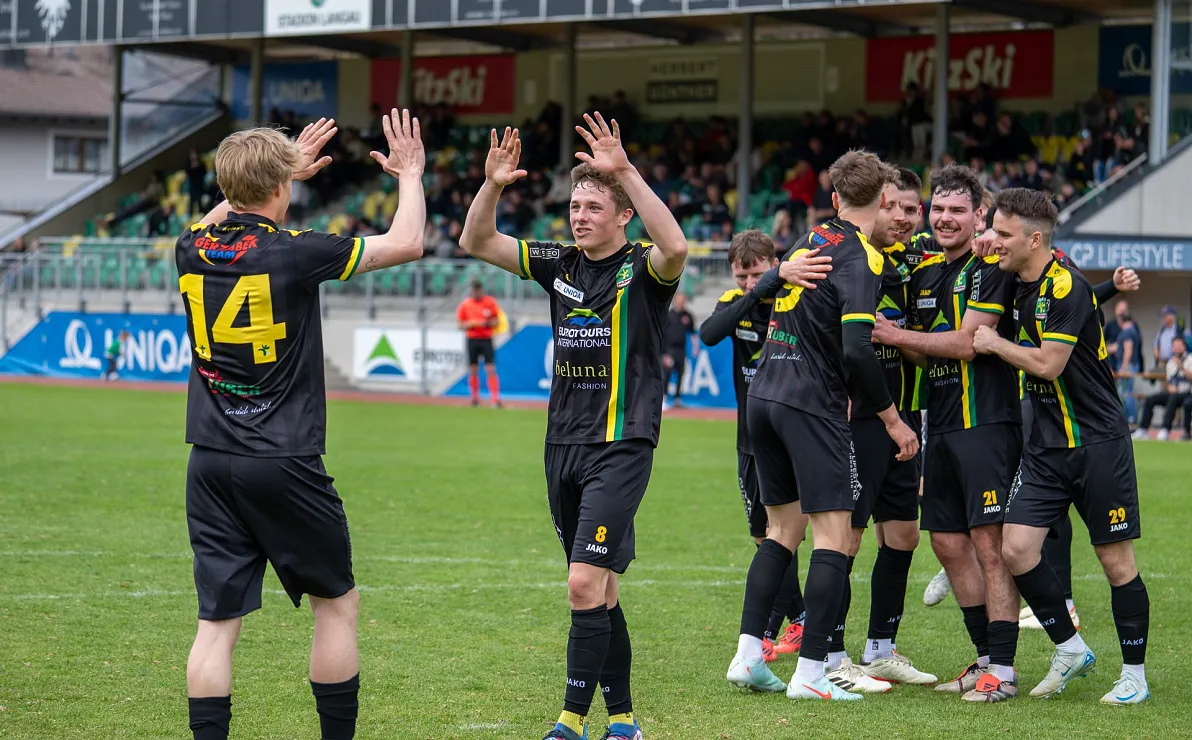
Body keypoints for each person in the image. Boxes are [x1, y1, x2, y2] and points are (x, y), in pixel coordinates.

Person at [177, 111, 427, 740]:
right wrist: (412, 174)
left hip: (208, 458)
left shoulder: (191, 246)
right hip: (282, 458)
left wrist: (266, 171)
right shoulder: (295, 251)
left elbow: (222, 215)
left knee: (215, 627)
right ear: (283, 187)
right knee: (336, 606)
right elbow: (407, 243)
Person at [458, 113, 689, 740]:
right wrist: (493, 185)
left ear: (621, 215)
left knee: (583, 581)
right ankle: (624, 721)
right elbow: (476, 242)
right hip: (561, 443)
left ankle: (569, 721)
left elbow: (677, 248)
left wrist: (627, 172)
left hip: (620, 442)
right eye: (574, 205)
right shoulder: (558, 262)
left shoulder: (643, 268)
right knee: (602, 589)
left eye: (592, 205)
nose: (579, 214)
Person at [725, 150, 919, 701]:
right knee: (833, 539)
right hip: (810, 405)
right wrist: (894, 421)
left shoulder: (809, 241)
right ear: (883, 199)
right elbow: (858, 350)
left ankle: (747, 656)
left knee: (781, 532)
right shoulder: (861, 258)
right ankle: (811, 674)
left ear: (834, 198)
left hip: (762, 397)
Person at [973, 187, 1151, 705]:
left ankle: (1134, 675)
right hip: (1046, 448)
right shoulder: (1015, 278)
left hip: (1097, 443)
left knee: (1115, 560)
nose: (995, 243)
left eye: (1004, 235)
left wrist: (993, 342)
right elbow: (989, 258)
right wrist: (988, 245)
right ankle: (1071, 648)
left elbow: (1049, 365)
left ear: (1035, 239)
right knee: (1016, 547)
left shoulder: (1066, 285)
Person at [871, 164, 1023, 702]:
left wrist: (892, 331)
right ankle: (984, 658)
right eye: (938, 208)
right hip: (942, 424)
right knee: (948, 543)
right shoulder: (925, 275)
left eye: (958, 209)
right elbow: (919, 348)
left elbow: (968, 342)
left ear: (978, 214)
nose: (944, 218)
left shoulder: (991, 265)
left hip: (986, 422)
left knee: (988, 544)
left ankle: (1002, 671)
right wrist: (887, 338)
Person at [698, 231, 831, 663]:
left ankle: (785, 625)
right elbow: (710, 333)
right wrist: (761, 287)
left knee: (793, 530)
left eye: (758, 273)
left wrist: (777, 283)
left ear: (774, 261)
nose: (750, 283)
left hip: (795, 428)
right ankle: (798, 617)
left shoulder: (796, 298)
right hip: (750, 437)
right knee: (764, 537)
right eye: (742, 276)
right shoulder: (737, 301)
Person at [836, 168, 937, 688]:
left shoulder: (914, 262)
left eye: (909, 209)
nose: (899, 216)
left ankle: (880, 649)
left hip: (906, 420)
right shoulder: (847, 258)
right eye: (891, 206)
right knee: (843, 540)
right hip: (855, 421)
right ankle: (830, 656)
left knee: (902, 535)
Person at [1133, 334, 1192, 440]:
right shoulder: (1170, 362)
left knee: (1174, 398)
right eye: (1174, 346)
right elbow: (1170, 380)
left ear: (1184, 346)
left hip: (1186, 392)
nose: (1176, 348)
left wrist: (1181, 367)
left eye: (1178, 346)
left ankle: (1165, 429)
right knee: (1151, 399)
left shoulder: (1190, 359)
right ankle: (1143, 429)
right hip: (1174, 392)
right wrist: (1170, 387)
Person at [457, 279, 503, 408]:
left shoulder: (490, 302)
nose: (477, 292)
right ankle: (474, 398)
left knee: (490, 368)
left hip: (486, 338)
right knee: (473, 369)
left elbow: (497, 321)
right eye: (474, 290)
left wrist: (484, 323)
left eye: (478, 289)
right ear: (471, 290)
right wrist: (469, 324)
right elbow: (460, 325)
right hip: (472, 339)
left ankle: (495, 399)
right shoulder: (466, 305)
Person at [662, 293, 697, 408]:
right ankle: (664, 397)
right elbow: (662, 335)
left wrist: (695, 347)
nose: (681, 302)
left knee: (681, 373)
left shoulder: (687, 316)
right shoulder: (669, 315)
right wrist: (664, 353)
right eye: (679, 300)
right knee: (667, 373)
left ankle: (677, 399)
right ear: (675, 301)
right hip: (670, 349)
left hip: (681, 349)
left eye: (683, 300)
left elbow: (692, 333)